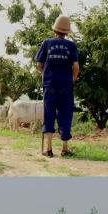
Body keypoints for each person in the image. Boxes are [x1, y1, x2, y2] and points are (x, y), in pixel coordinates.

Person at [35, 15, 80, 157]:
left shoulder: (47, 43)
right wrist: (73, 79)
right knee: (65, 115)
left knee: (49, 114)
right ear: (67, 32)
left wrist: (44, 74)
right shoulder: (71, 46)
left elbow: (39, 64)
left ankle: (48, 149)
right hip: (66, 86)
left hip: (49, 85)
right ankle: (65, 149)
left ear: (55, 29)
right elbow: (76, 66)